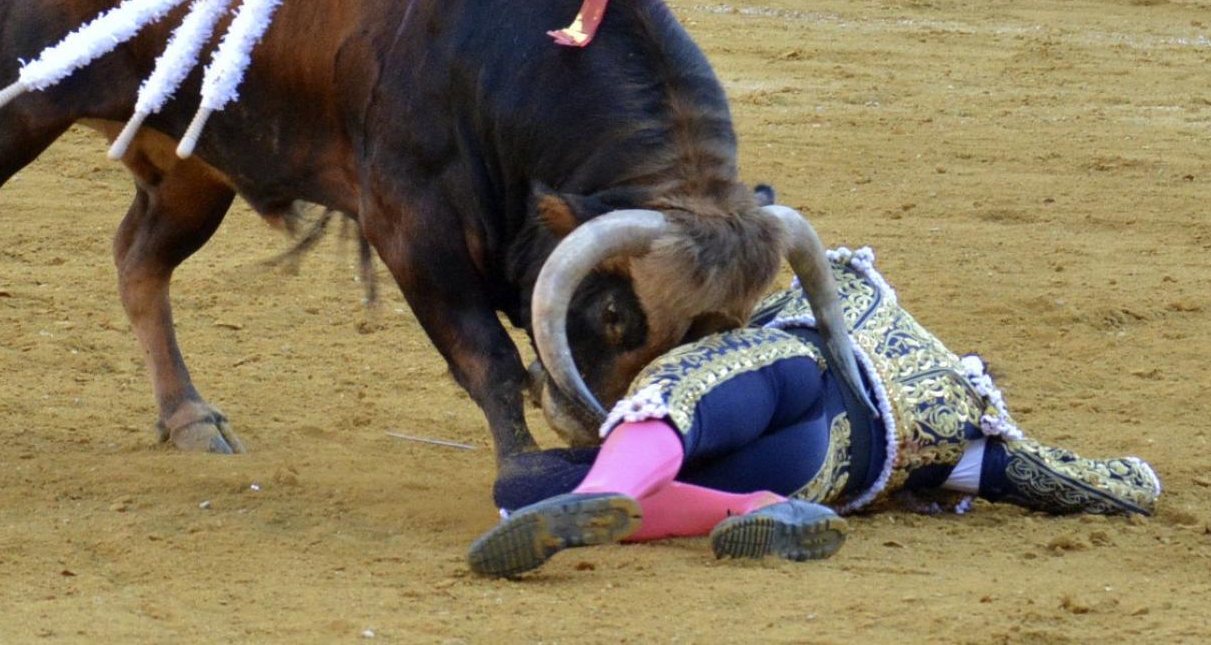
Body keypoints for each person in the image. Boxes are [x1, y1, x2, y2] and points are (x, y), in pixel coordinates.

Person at [469, 246, 1161, 578]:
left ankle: (613, 492)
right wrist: (1135, 478)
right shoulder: (966, 437)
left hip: (795, 373)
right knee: (524, 490)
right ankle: (755, 509)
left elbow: (711, 311)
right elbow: (1081, 483)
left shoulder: (854, 300)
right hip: (826, 470)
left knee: (674, 391)